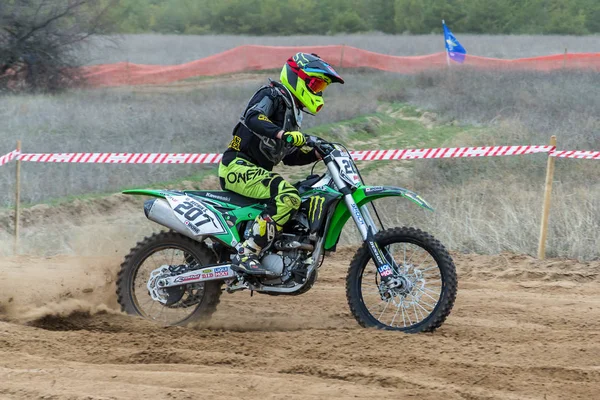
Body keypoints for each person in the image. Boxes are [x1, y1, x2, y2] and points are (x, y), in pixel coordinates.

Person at [218, 52, 344, 276]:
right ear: (297, 77)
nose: (317, 91)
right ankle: (247, 253)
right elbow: (253, 117)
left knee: (300, 195)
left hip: (254, 172)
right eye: (314, 84)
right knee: (287, 196)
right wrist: (282, 134)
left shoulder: (292, 113)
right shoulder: (272, 94)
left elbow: (288, 157)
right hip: (236, 166)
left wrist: (317, 153)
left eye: (320, 87)